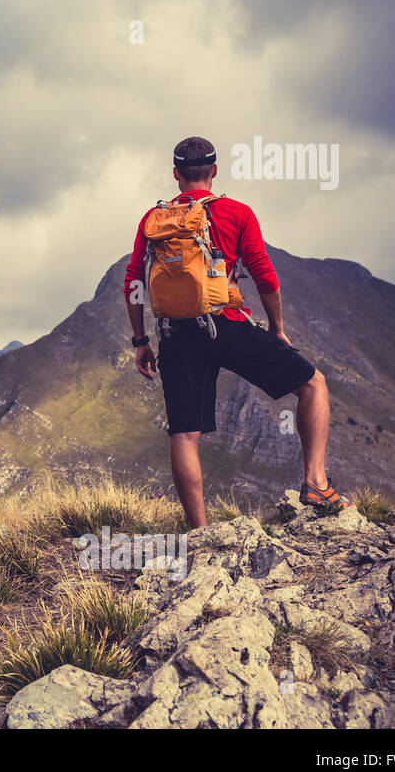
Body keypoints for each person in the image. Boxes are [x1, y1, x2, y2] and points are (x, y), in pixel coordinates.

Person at [123, 136, 351, 528]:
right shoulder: (236, 212)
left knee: (184, 433)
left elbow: (132, 282)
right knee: (313, 385)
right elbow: (264, 274)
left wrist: (142, 341)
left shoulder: (154, 220)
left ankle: (200, 532)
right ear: (213, 172)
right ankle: (316, 484)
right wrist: (277, 328)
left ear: (176, 175)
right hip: (226, 324)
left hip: (175, 335)